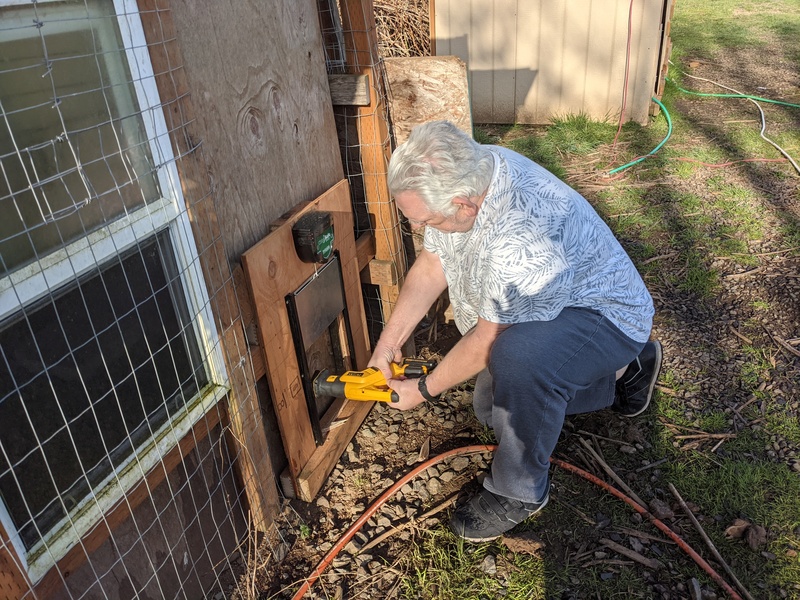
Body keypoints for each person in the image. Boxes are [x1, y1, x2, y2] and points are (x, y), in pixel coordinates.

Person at [368, 120, 661, 542]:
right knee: (492, 411)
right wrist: (388, 344)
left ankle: (519, 491)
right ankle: (624, 377)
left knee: (517, 361)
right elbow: (432, 264)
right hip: (553, 303)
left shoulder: (520, 231)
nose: (418, 228)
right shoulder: (474, 168)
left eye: (425, 219)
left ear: (464, 204)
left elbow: (487, 340)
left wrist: (425, 389)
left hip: (605, 314)